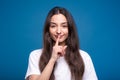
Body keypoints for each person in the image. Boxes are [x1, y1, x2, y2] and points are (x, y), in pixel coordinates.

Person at [25, 6, 98, 80]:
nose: (59, 31)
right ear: (48, 30)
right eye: (53, 26)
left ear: (70, 29)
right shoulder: (35, 55)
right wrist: (52, 59)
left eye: (64, 26)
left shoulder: (84, 56)